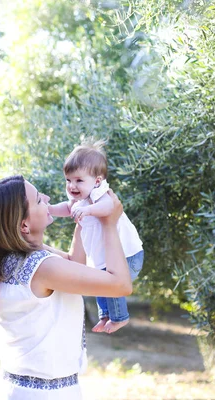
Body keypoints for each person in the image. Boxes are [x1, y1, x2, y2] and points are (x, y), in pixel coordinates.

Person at [0, 175, 131, 400]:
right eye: (39, 200)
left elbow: (74, 267)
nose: (47, 199)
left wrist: (83, 219)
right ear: (24, 225)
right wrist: (109, 224)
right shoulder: (41, 267)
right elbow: (120, 285)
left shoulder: (12, 258)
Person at [48, 140, 144, 334]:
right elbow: (68, 208)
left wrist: (90, 210)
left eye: (78, 180)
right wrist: (49, 209)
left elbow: (110, 208)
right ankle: (105, 315)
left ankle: (120, 317)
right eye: (68, 180)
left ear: (97, 181)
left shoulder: (100, 194)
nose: (72, 186)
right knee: (99, 282)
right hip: (105, 260)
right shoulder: (80, 199)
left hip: (128, 256)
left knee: (109, 285)